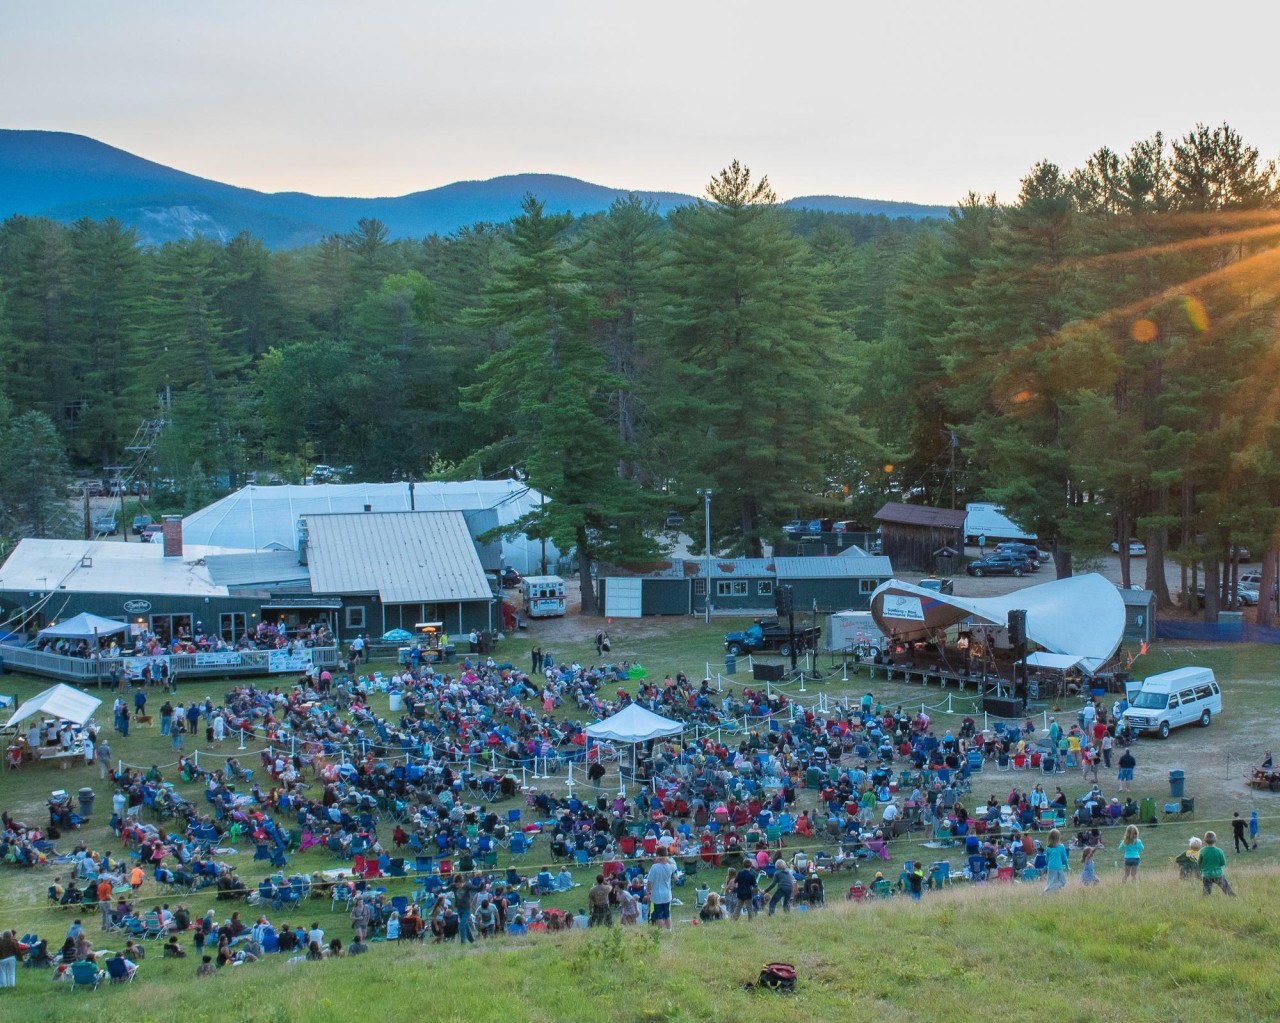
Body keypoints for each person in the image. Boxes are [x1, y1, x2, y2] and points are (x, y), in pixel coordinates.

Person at [645, 851, 678, 932]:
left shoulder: (654, 867)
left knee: (659, 914)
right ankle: (669, 930)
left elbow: (649, 882)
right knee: (667, 913)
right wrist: (667, 860)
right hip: (667, 894)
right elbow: (674, 867)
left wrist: (648, 890)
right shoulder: (670, 866)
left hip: (657, 895)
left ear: (658, 855)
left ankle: (660, 931)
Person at [1198, 831, 1235, 896]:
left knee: (1206, 892)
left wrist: (1203, 868)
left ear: (1205, 840)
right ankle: (1233, 898)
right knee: (1226, 888)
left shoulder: (1202, 851)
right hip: (1218, 874)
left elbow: (1199, 863)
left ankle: (1204, 902)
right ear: (1215, 840)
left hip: (1206, 875)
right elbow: (1223, 862)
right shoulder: (1219, 851)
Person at [1043, 828, 1068, 893]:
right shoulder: (1061, 847)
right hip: (1058, 867)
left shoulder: (1048, 848)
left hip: (1050, 867)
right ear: (1058, 837)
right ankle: (1049, 890)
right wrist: (1067, 865)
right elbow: (1064, 858)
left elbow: (1046, 859)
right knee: (1062, 882)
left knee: (1051, 881)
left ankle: (1051, 891)